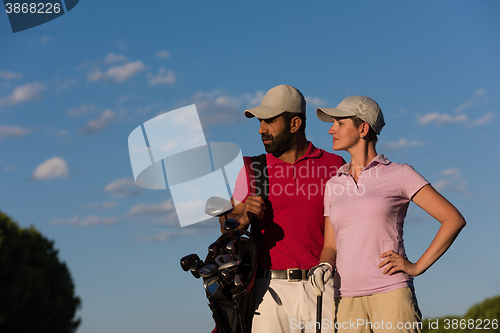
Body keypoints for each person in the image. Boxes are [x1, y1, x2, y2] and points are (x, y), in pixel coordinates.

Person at [308, 96, 466, 333]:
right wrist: (324, 265)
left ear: (363, 128)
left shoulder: (400, 174)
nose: (331, 129)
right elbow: (331, 245)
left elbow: (453, 219)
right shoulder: (333, 184)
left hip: (391, 294)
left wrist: (416, 266)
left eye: (340, 123)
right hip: (346, 299)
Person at [221, 84, 345, 333]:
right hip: (269, 293)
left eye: (269, 121)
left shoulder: (334, 165)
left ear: (295, 124)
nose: (261, 130)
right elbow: (227, 224)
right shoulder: (253, 167)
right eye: (260, 122)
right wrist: (243, 218)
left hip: (322, 287)